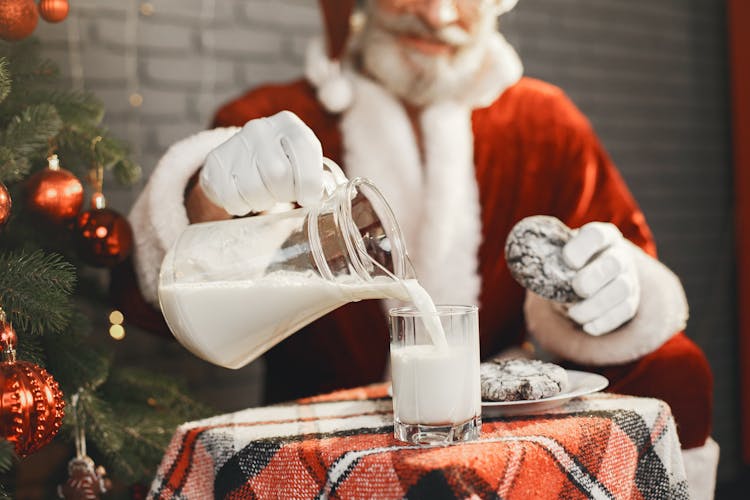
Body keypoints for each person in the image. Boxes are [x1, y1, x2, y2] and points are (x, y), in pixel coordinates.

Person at [115, 0, 717, 494]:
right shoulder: (276, 123)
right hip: (320, 454)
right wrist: (205, 201)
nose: (437, 14)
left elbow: (623, 255)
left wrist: (610, 290)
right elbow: (154, 298)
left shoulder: (546, 124)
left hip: (501, 448)